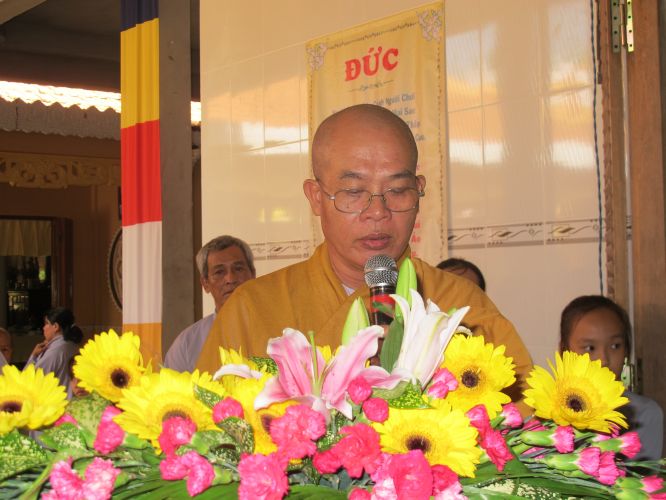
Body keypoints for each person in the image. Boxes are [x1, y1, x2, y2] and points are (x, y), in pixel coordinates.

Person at [196, 104, 533, 407]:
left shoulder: (463, 308)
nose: (378, 211)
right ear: (315, 197)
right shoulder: (251, 309)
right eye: (354, 191)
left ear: (418, 191)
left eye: (398, 190)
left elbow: (517, 426)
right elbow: (212, 430)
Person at [560, 295, 663, 460]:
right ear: (565, 351)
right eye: (590, 348)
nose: (604, 359)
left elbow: (644, 473)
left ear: (627, 351)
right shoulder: (547, 412)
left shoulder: (644, 415)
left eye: (615, 346)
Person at [164, 235, 256, 372]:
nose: (230, 279)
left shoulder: (279, 330)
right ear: (205, 283)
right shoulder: (186, 345)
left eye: (238, 269)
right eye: (219, 272)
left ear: (253, 275)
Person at [25, 307, 82, 397]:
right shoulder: (73, 345)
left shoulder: (55, 350)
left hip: (59, 402)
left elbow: (29, 380)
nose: (43, 328)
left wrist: (33, 356)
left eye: (46, 323)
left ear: (55, 326)